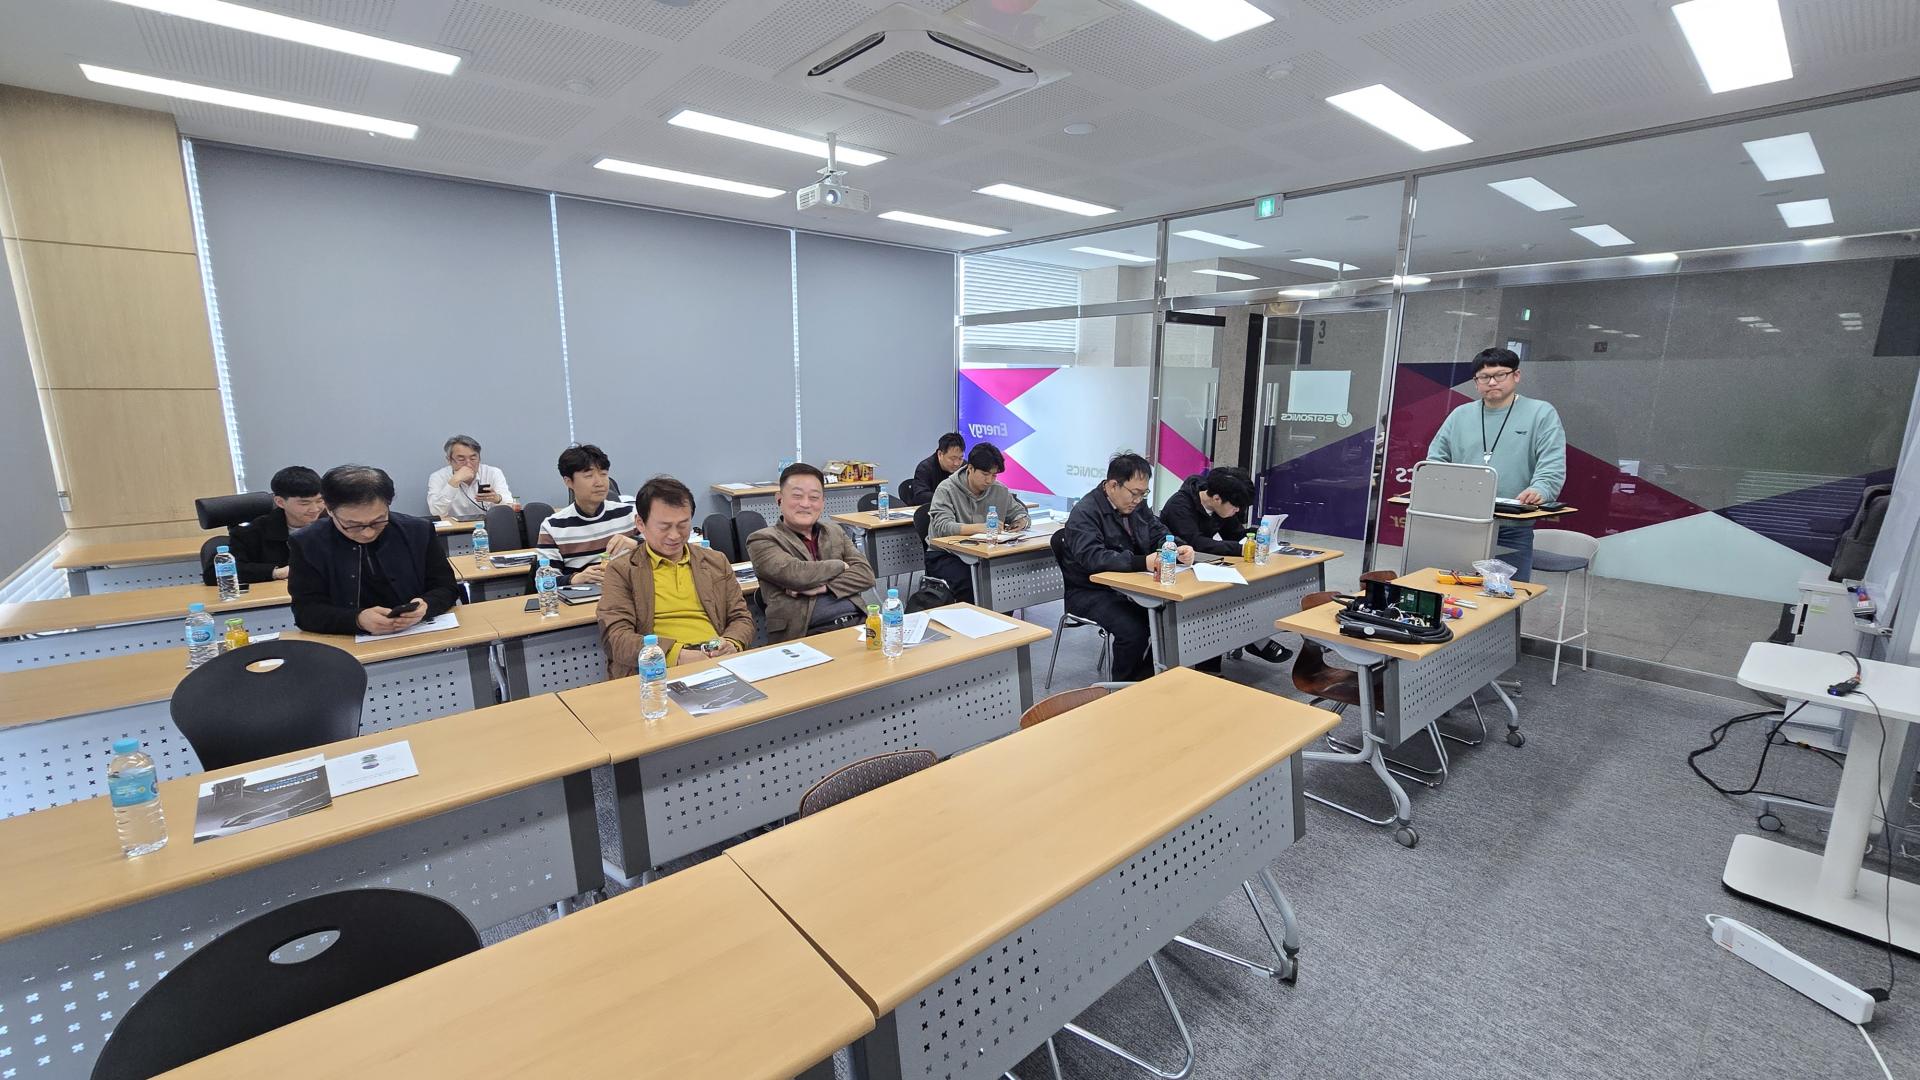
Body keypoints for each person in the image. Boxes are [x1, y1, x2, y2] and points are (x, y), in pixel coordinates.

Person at [1426, 347, 1566, 581]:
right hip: (1463, 523)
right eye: (1484, 377)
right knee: (1454, 591)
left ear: (1516, 375)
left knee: (1508, 593)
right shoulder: (1460, 415)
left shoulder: (1540, 413)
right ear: (1476, 382)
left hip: (1512, 525)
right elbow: (1435, 461)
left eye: (1500, 375)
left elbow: (1552, 464)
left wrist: (1541, 489)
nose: (1492, 382)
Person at [598, 476, 755, 677]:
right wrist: (676, 655)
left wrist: (732, 643)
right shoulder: (622, 570)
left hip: (715, 661)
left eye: (683, 525)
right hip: (658, 670)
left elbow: (741, 618)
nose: (674, 535)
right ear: (640, 523)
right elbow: (616, 637)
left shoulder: (715, 561)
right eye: (664, 527)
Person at [1060, 453, 1193, 682]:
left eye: (1144, 494)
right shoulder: (1085, 512)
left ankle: (1146, 680)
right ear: (1113, 485)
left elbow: (1157, 532)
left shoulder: (1137, 506)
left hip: (1131, 586)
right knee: (1134, 630)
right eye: (1135, 493)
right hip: (1090, 591)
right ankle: (1124, 687)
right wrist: (1143, 562)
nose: (1138, 500)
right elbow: (1093, 558)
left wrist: (1177, 547)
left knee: (1172, 620)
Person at [288, 465, 458, 636]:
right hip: (347, 641)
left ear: (388, 505)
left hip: (418, 633)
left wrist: (426, 605)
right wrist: (357, 620)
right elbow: (305, 611)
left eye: (378, 521)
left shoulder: (418, 531)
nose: (367, 533)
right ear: (329, 510)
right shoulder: (307, 543)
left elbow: (446, 587)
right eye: (353, 525)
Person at [1158, 465, 1291, 664]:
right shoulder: (1179, 506)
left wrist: (1261, 536)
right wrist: (1240, 549)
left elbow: (1236, 534)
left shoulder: (1220, 506)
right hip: (1175, 572)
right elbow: (1195, 543)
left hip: (1202, 567)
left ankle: (1254, 637)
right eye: (1235, 507)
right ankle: (1218, 663)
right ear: (1217, 498)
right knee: (1217, 601)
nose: (1237, 511)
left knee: (1245, 589)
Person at [746, 462, 877, 643]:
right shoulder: (762, 539)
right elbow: (797, 575)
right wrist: (841, 565)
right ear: (779, 499)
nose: (805, 504)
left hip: (858, 623)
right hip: (806, 633)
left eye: (814, 497)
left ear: (822, 502)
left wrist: (824, 587)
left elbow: (866, 574)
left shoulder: (834, 532)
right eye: (797, 496)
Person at [924, 442, 1030, 604]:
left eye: (994, 475)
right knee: (971, 582)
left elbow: (1020, 513)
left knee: (1007, 580)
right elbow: (943, 527)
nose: (989, 480)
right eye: (985, 474)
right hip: (947, 555)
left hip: (985, 554)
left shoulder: (1000, 490)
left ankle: (999, 618)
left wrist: (1021, 522)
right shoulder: (946, 489)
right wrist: (981, 528)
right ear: (970, 469)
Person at [534, 444, 639, 585]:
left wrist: (636, 544)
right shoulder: (553, 526)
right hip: (584, 595)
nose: (599, 483)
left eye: (603, 474)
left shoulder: (630, 514)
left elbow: (662, 553)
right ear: (569, 482)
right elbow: (543, 581)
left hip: (627, 590)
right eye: (589, 476)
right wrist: (575, 578)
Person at [202, 465, 324, 585]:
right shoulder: (253, 532)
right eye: (304, 503)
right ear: (280, 502)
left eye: (320, 500)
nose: (315, 509)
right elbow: (212, 573)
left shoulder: (332, 524)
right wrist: (275, 572)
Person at [427, 435, 513, 518]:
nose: (468, 464)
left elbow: (510, 505)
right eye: (461, 459)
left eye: (473, 459)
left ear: (479, 458)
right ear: (449, 460)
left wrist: (497, 498)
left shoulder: (493, 473)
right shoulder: (438, 477)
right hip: (452, 527)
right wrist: (454, 481)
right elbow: (436, 512)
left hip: (488, 525)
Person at [903, 432, 965, 506]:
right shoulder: (925, 468)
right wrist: (948, 497)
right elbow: (920, 496)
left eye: (960, 458)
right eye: (953, 458)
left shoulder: (964, 468)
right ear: (940, 454)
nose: (957, 463)